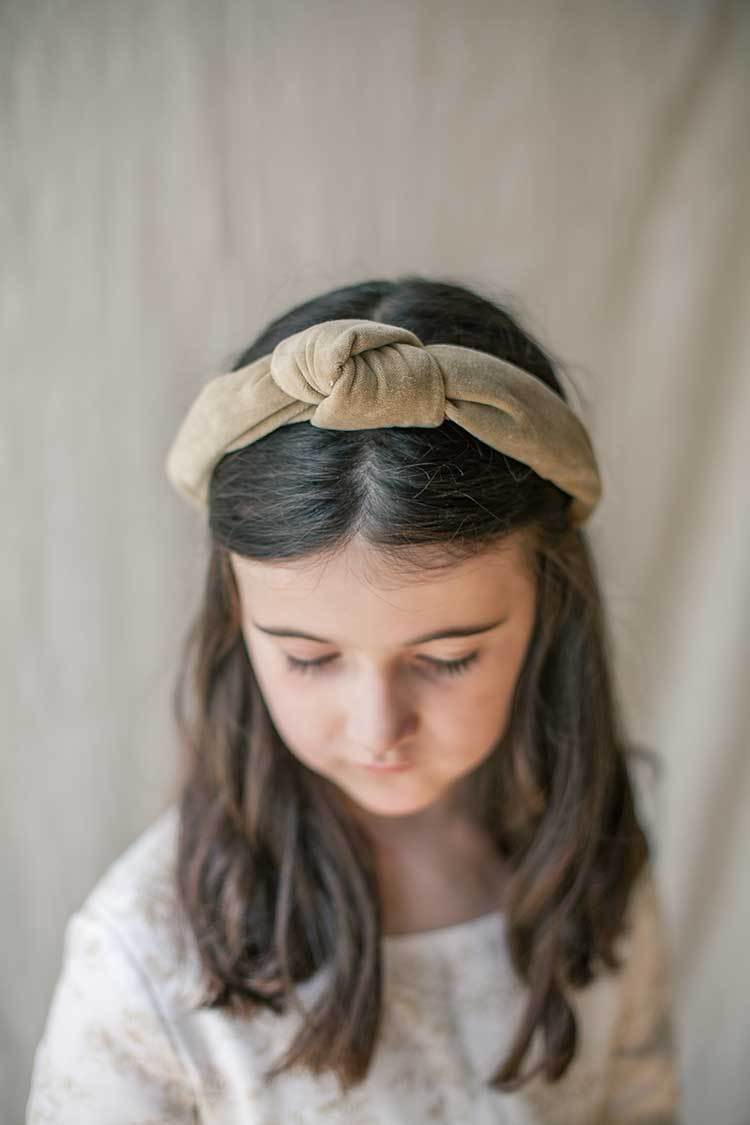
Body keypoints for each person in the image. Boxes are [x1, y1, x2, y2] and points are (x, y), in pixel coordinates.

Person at [26, 276, 681, 1123]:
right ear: (237, 621)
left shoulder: (590, 863)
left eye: (447, 659)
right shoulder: (144, 958)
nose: (379, 727)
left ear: (553, 610)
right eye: (308, 658)